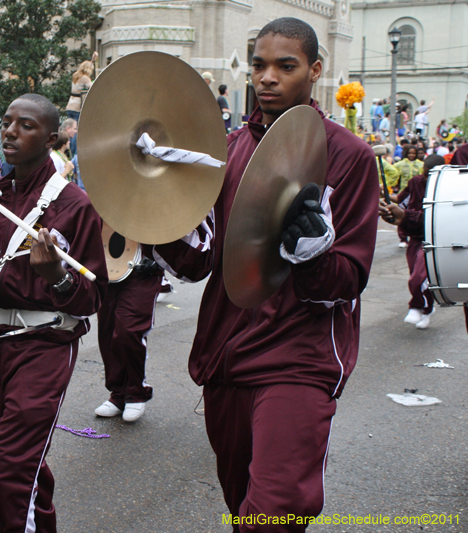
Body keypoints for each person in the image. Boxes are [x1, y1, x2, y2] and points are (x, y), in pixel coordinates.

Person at [148, 18, 377, 529]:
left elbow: (351, 277)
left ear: (315, 70)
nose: (267, 77)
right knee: (244, 512)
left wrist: (316, 255)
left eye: (285, 66)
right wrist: (149, 207)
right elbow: (197, 261)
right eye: (258, 65)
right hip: (226, 358)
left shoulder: (349, 157)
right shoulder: (227, 153)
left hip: (301, 359)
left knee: (274, 512)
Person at [0, 93, 107, 532]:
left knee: (10, 468)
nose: (9, 131)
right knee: (23, 462)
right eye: (6, 122)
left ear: (51, 138)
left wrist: (57, 278)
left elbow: (91, 299)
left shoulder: (74, 204)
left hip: (45, 344)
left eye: (25, 125)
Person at [94, 255, 163, 422]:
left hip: (142, 267)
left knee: (129, 330)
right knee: (107, 331)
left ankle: (136, 392)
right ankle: (118, 394)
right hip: (109, 263)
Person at [380, 154, 444, 330]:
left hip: (434, 238)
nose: (425, 177)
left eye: (428, 174)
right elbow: (402, 200)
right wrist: (383, 194)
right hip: (414, 236)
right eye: (424, 173)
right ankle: (425, 308)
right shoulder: (416, 182)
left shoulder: (444, 187)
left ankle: (419, 307)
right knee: (417, 277)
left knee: (418, 278)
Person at [66, 53, 97, 121]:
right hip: (77, 107)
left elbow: (88, 65)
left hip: (70, 106)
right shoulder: (85, 78)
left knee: (71, 128)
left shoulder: (75, 76)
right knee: (76, 129)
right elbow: (93, 87)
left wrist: (93, 60)